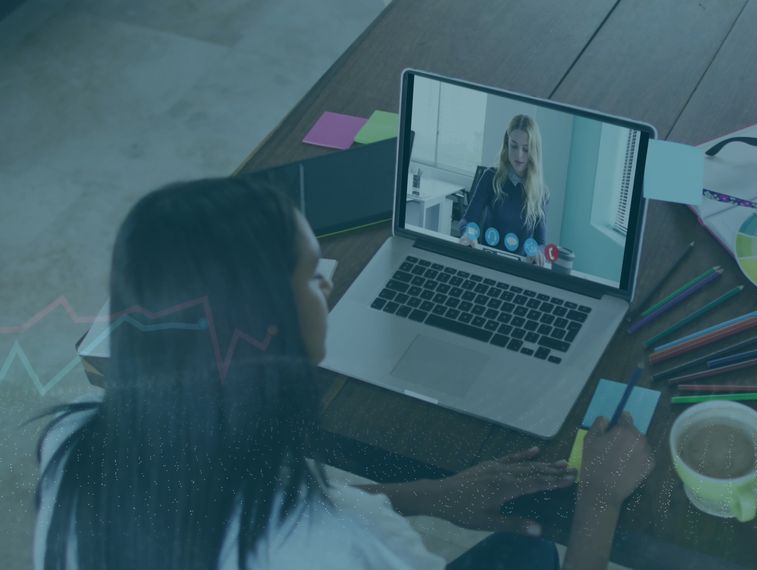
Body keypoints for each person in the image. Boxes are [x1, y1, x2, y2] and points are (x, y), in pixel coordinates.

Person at [31, 178, 653, 570]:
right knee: (534, 550)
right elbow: (311, 529)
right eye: (309, 273)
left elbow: (265, 506)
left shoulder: (75, 441)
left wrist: (433, 497)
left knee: (524, 547)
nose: (329, 278)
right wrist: (600, 500)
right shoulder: (341, 553)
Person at [459, 115, 549, 266]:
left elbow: (541, 243)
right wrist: (468, 234)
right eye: (513, 146)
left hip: (519, 268)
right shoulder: (490, 177)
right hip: (486, 262)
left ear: (534, 151)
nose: (519, 155)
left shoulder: (541, 193)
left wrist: (538, 252)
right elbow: (468, 220)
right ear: (506, 145)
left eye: (526, 149)